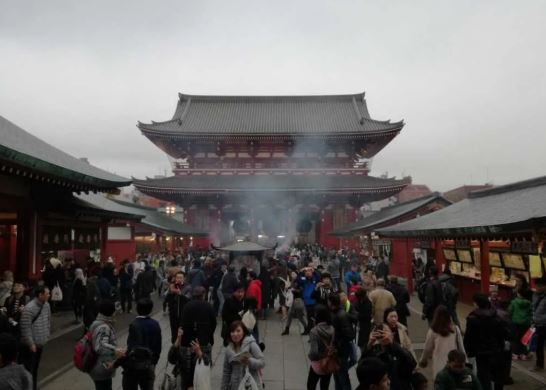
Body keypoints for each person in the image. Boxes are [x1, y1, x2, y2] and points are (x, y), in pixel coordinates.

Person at [169, 286, 216, 390]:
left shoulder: (187, 306)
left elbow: (182, 323)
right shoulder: (208, 306)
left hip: (187, 343)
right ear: (203, 295)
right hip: (203, 342)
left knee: (187, 371)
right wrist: (208, 335)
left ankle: (188, 385)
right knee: (203, 365)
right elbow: (213, 324)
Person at [464, 293, 508, 390]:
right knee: (497, 375)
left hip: (481, 351)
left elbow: (469, 337)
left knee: (484, 375)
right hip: (496, 349)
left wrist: (468, 350)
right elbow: (501, 334)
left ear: (476, 304)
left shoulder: (473, 318)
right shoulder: (496, 316)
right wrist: (501, 347)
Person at [122, 298, 162, 390]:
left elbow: (131, 345)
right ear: (150, 309)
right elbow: (158, 346)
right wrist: (154, 362)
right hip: (149, 363)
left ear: (137, 309)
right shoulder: (155, 324)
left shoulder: (134, 324)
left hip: (134, 363)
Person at [361, 324, 416, 390]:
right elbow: (362, 371)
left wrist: (392, 344)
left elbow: (411, 364)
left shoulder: (398, 349)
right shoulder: (374, 352)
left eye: (385, 332)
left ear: (392, 334)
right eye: (380, 332)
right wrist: (369, 344)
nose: (383, 335)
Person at [419, 305, 465, 378]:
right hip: (454, 364)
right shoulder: (455, 329)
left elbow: (427, 348)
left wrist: (423, 360)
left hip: (439, 365)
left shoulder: (433, 330)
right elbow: (461, 347)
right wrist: (465, 362)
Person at [19, 285, 51, 390]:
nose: (49, 295)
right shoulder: (29, 308)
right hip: (30, 346)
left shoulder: (46, 305)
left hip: (40, 343)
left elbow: (48, 321)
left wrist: (46, 335)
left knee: (35, 369)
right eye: (47, 294)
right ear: (40, 295)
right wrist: (31, 343)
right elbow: (25, 327)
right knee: (28, 370)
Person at [88, 300, 124, 390]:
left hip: (97, 365)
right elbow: (100, 346)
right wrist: (115, 350)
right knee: (104, 387)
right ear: (110, 313)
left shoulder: (97, 323)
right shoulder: (103, 327)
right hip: (101, 366)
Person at [221, 321, 265, 390]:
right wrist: (224, 387)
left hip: (249, 385)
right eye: (232, 332)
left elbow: (262, 362)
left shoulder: (251, 344)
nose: (235, 334)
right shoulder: (228, 349)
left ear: (243, 332)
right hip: (235, 386)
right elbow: (226, 371)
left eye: (238, 331)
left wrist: (249, 361)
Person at [328, 293, 354, 390]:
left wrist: (338, 344)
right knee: (337, 375)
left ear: (331, 302)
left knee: (342, 375)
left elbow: (349, 335)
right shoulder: (336, 313)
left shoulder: (340, 315)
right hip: (338, 350)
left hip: (341, 351)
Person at [307, 304, 334, 390]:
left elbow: (314, 352)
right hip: (328, 362)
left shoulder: (314, 331)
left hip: (317, 364)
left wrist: (310, 356)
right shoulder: (332, 328)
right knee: (325, 386)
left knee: (311, 385)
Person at [166, 271, 190, 343]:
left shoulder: (188, 287)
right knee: (174, 333)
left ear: (184, 279)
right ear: (175, 279)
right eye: (177, 277)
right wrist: (170, 292)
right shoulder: (172, 286)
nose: (179, 279)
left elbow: (188, 299)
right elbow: (166, 299)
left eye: (181, 277)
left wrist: (180, 294)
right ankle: (174, 347)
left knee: (183, 333)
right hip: (173, 315)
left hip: (183, 315)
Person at [508, 288, 532, 360]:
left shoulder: (514, 302)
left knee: (515, 339)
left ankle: (515, 354)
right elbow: (531, 313)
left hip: (515, 323)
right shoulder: (530, 303)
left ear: (519, 294)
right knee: (524, 340)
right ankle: (523, 354)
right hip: (526, 324)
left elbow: (510, 311)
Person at [297, 267, 319, 335]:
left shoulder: (315, 280)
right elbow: (298, 280)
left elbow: (319, 278)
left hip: (314, 302)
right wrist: (301, 272)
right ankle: (309, 331)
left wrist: (314, 271)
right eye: (306, 272)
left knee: (312, 318)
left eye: (309, 271)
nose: (308, 273)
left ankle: (311, 331)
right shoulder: (304, 281)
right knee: (309, 317)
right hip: (307, 302)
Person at [532, 277, 546, 371]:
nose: (538, 288)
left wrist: (541, 319)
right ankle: (539, 364)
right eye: (537, 286)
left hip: (544, 323)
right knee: (538, 345)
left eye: (540, 286)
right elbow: (533, 307)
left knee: (540, 344)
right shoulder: (535, 294)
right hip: (536, 323)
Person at [354, 287, 373, 354]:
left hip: (365, 325)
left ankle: (365, 352)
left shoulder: (368, 303)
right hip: (359, 325)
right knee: (359, 340)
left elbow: (367, 315)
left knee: (364, 340)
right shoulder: (358, 301)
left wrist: (358, 315)